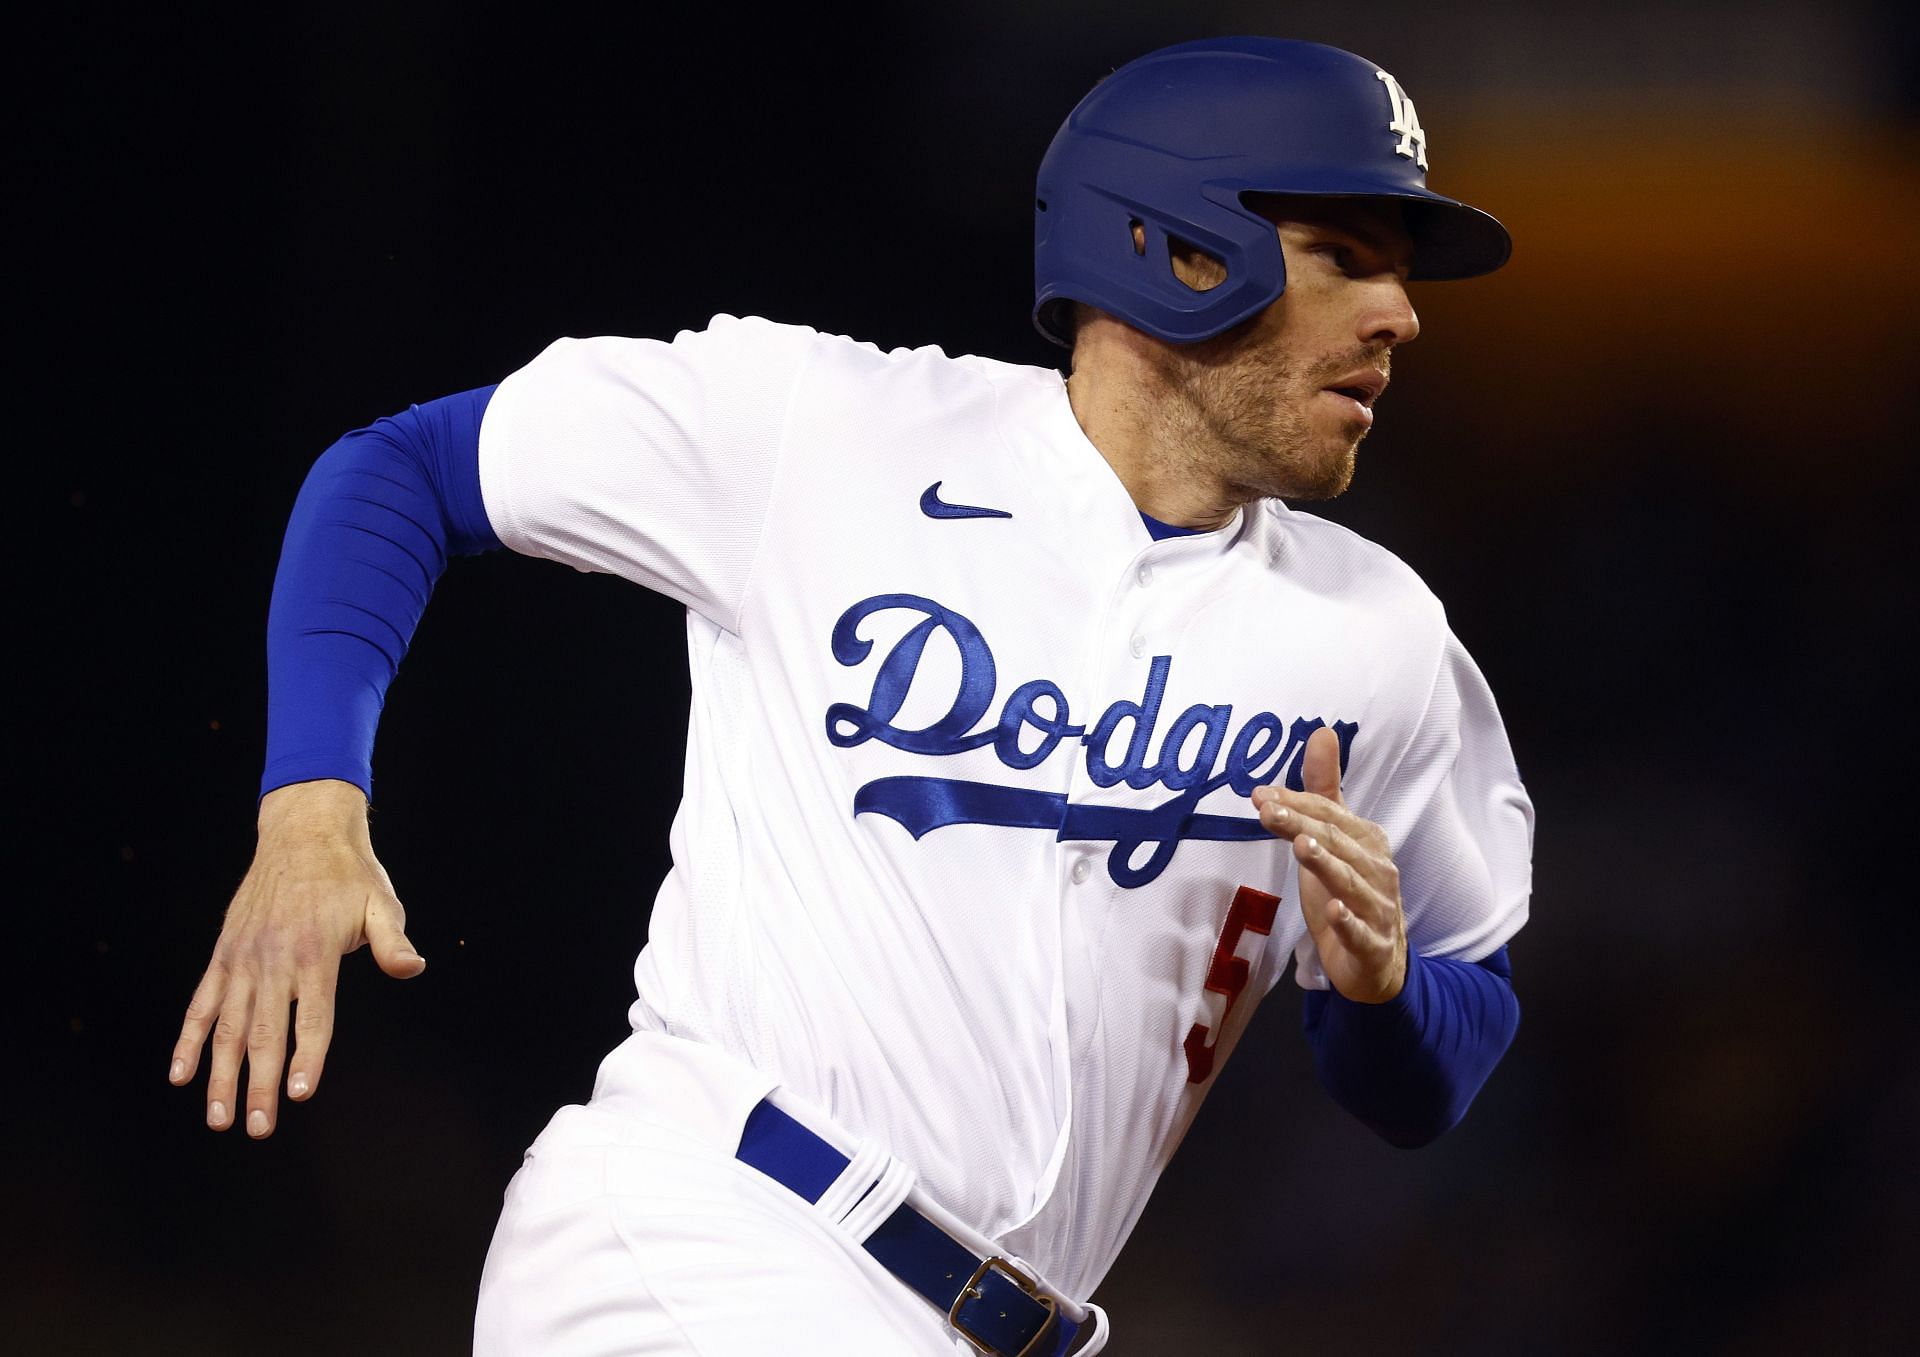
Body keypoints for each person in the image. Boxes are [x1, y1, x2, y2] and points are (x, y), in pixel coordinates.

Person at [169, 36, 1533, 1356]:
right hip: (706, 1233)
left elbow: (1446, 1050)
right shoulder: (825, 428)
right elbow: (403, 472)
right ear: (1175, 250)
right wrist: (311, 807)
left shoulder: (1378, 634)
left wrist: (1381, 993)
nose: (1400, 314)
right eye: (1345, 258)